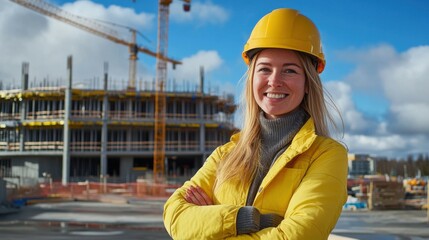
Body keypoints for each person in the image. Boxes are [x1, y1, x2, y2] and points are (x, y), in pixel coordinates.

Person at [163, 8, 348, 239]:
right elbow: (174, 213)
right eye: (264, 69)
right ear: (252, 79)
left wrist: (210, 225)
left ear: (308, 83)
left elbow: (299, 235)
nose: (274, 81)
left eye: (289, 70)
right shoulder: (226, 154)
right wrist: (247, 219)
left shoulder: (327, 155)